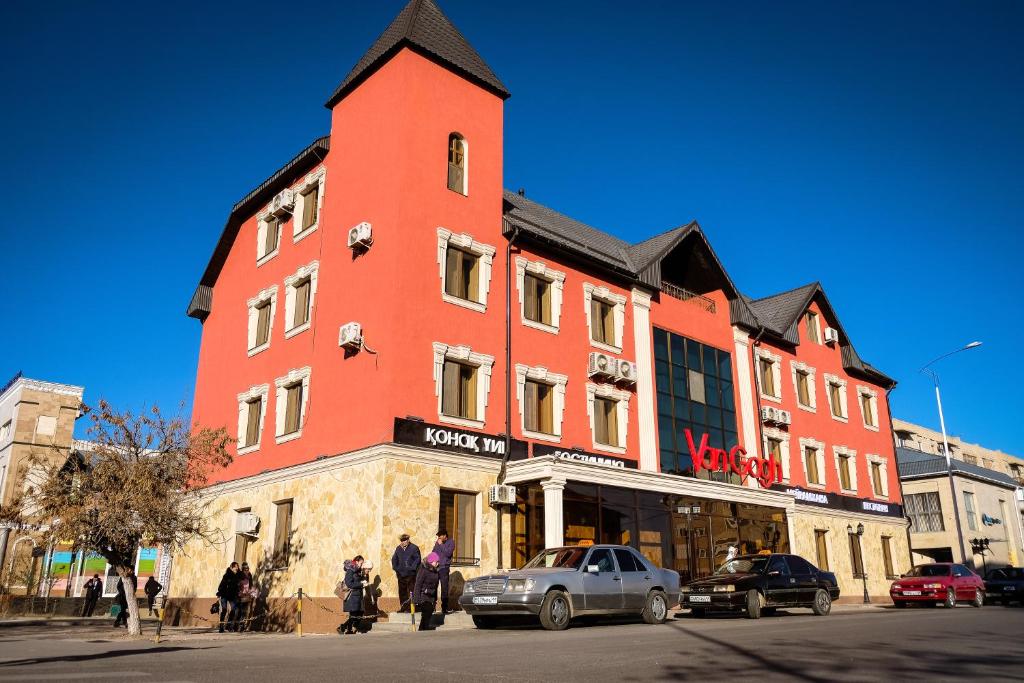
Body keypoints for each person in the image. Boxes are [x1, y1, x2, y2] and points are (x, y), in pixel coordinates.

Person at [390, 534, 421, 613]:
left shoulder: (414, 548)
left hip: (411, 575)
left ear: (408, 540)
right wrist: (396, 568)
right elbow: (394, 559)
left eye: (406, 540)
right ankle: (403, 607)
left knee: (411, 591)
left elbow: (417, 559)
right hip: (401, 574)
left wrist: (412, 568)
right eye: (403, 540)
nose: (404, 542)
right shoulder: (398, 548)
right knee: (402, 592)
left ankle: (411, 608)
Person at [337, 555, 366, 635]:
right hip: (352, 596)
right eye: (361, 563)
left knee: (358, 613)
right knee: (353, 614)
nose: (362, 565)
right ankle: (346, 629)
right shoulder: (351, 570)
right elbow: (349, 583)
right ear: (356, 562)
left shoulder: (357, 571)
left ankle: (343, 628)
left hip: (357, 596)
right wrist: (361, 584)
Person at [412, 552, 441, 631]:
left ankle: (422, 628)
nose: (438, 563)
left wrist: (435, 599)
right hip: (422, 595)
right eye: (436, 561)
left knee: (428, 612)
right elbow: (418, 584)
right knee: (427, 610)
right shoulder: (423, 570)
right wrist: (416, 599)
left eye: (438, 561)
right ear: (431, 561)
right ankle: (424, 628)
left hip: (430, 596)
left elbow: (435, 586)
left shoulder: (436, 571)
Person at [432, 530, 455, 614]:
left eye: (440, 536)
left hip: (444, 568)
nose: (439, 538)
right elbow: (433, 553)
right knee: (433, 587)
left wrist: (441, 544)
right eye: (438, 536)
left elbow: (448, 553)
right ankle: (432, 607)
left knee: (444, 588)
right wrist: (432, 562)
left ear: (445, 536)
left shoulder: (451, 542)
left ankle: (444, 608)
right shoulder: (437, 543)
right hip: (436, 568)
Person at [216, 562, 241, 633]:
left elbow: (237, 587)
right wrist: (219, 594)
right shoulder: (226, 576)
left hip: (232, 596)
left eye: (237, 567)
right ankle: (221, 627)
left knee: (233, 609)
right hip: (224, 595)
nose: (237, 568)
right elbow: (221, 586)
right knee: (224, 610)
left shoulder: (237, 576)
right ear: (231, 568)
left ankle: (229, 626)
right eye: (235, 567)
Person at [236, 562, 257, 631]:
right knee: (239, 611)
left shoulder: (249, 576)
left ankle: (241, 626)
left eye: (248, 569)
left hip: (246, 597)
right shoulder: (239, 576)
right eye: (245, 569)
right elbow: (237, 586)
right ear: (242, 569)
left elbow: (251, 585)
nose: (247, 570)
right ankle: (236, 625)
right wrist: (240, 591)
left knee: (244, 612)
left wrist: (253, 593)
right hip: (240, 596)